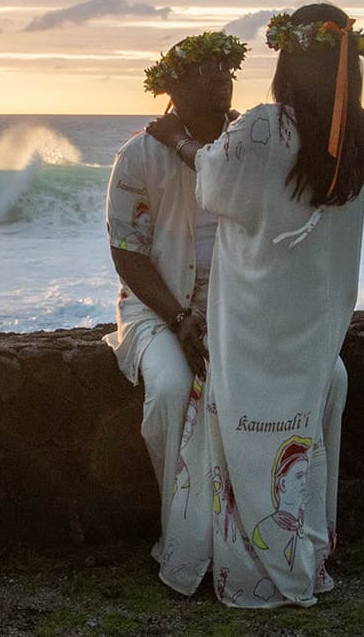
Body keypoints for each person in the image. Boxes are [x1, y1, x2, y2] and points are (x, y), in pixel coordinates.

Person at [150, 3, 364, 607]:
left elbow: (216, 184)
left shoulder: (263, 126)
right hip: (315, 312)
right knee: (296, 430)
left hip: (256, 310)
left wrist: (176, 139)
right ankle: (299, 549)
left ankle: (249, 564)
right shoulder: (360, 132)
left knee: (245, 431)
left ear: (291, 59)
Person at [103, 31, 249, 564]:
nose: (221, 78)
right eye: (205, 70)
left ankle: (251, 534)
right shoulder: (139, 155)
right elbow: (128, 253)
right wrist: (179, 316)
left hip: (237, 304)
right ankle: (184, 538)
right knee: (168, 390)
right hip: (159, 306)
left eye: (226, 68)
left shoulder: (247, 147)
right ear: (173, 86)